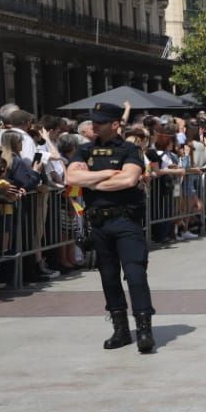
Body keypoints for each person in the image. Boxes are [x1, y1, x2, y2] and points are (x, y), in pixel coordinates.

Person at [65, 103, 156, 353]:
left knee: (135, 275)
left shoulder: (129, 149)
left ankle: (144, 328)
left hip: (126, 220)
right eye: (93, 121)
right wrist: (106, 174)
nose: (94, 125)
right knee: (108, 277)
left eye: (101, 121)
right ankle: (121, 330)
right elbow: (71, 178)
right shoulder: (84, 151)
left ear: (115, 124)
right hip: (99, 223)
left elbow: (128, 179)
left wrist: (91, 182)